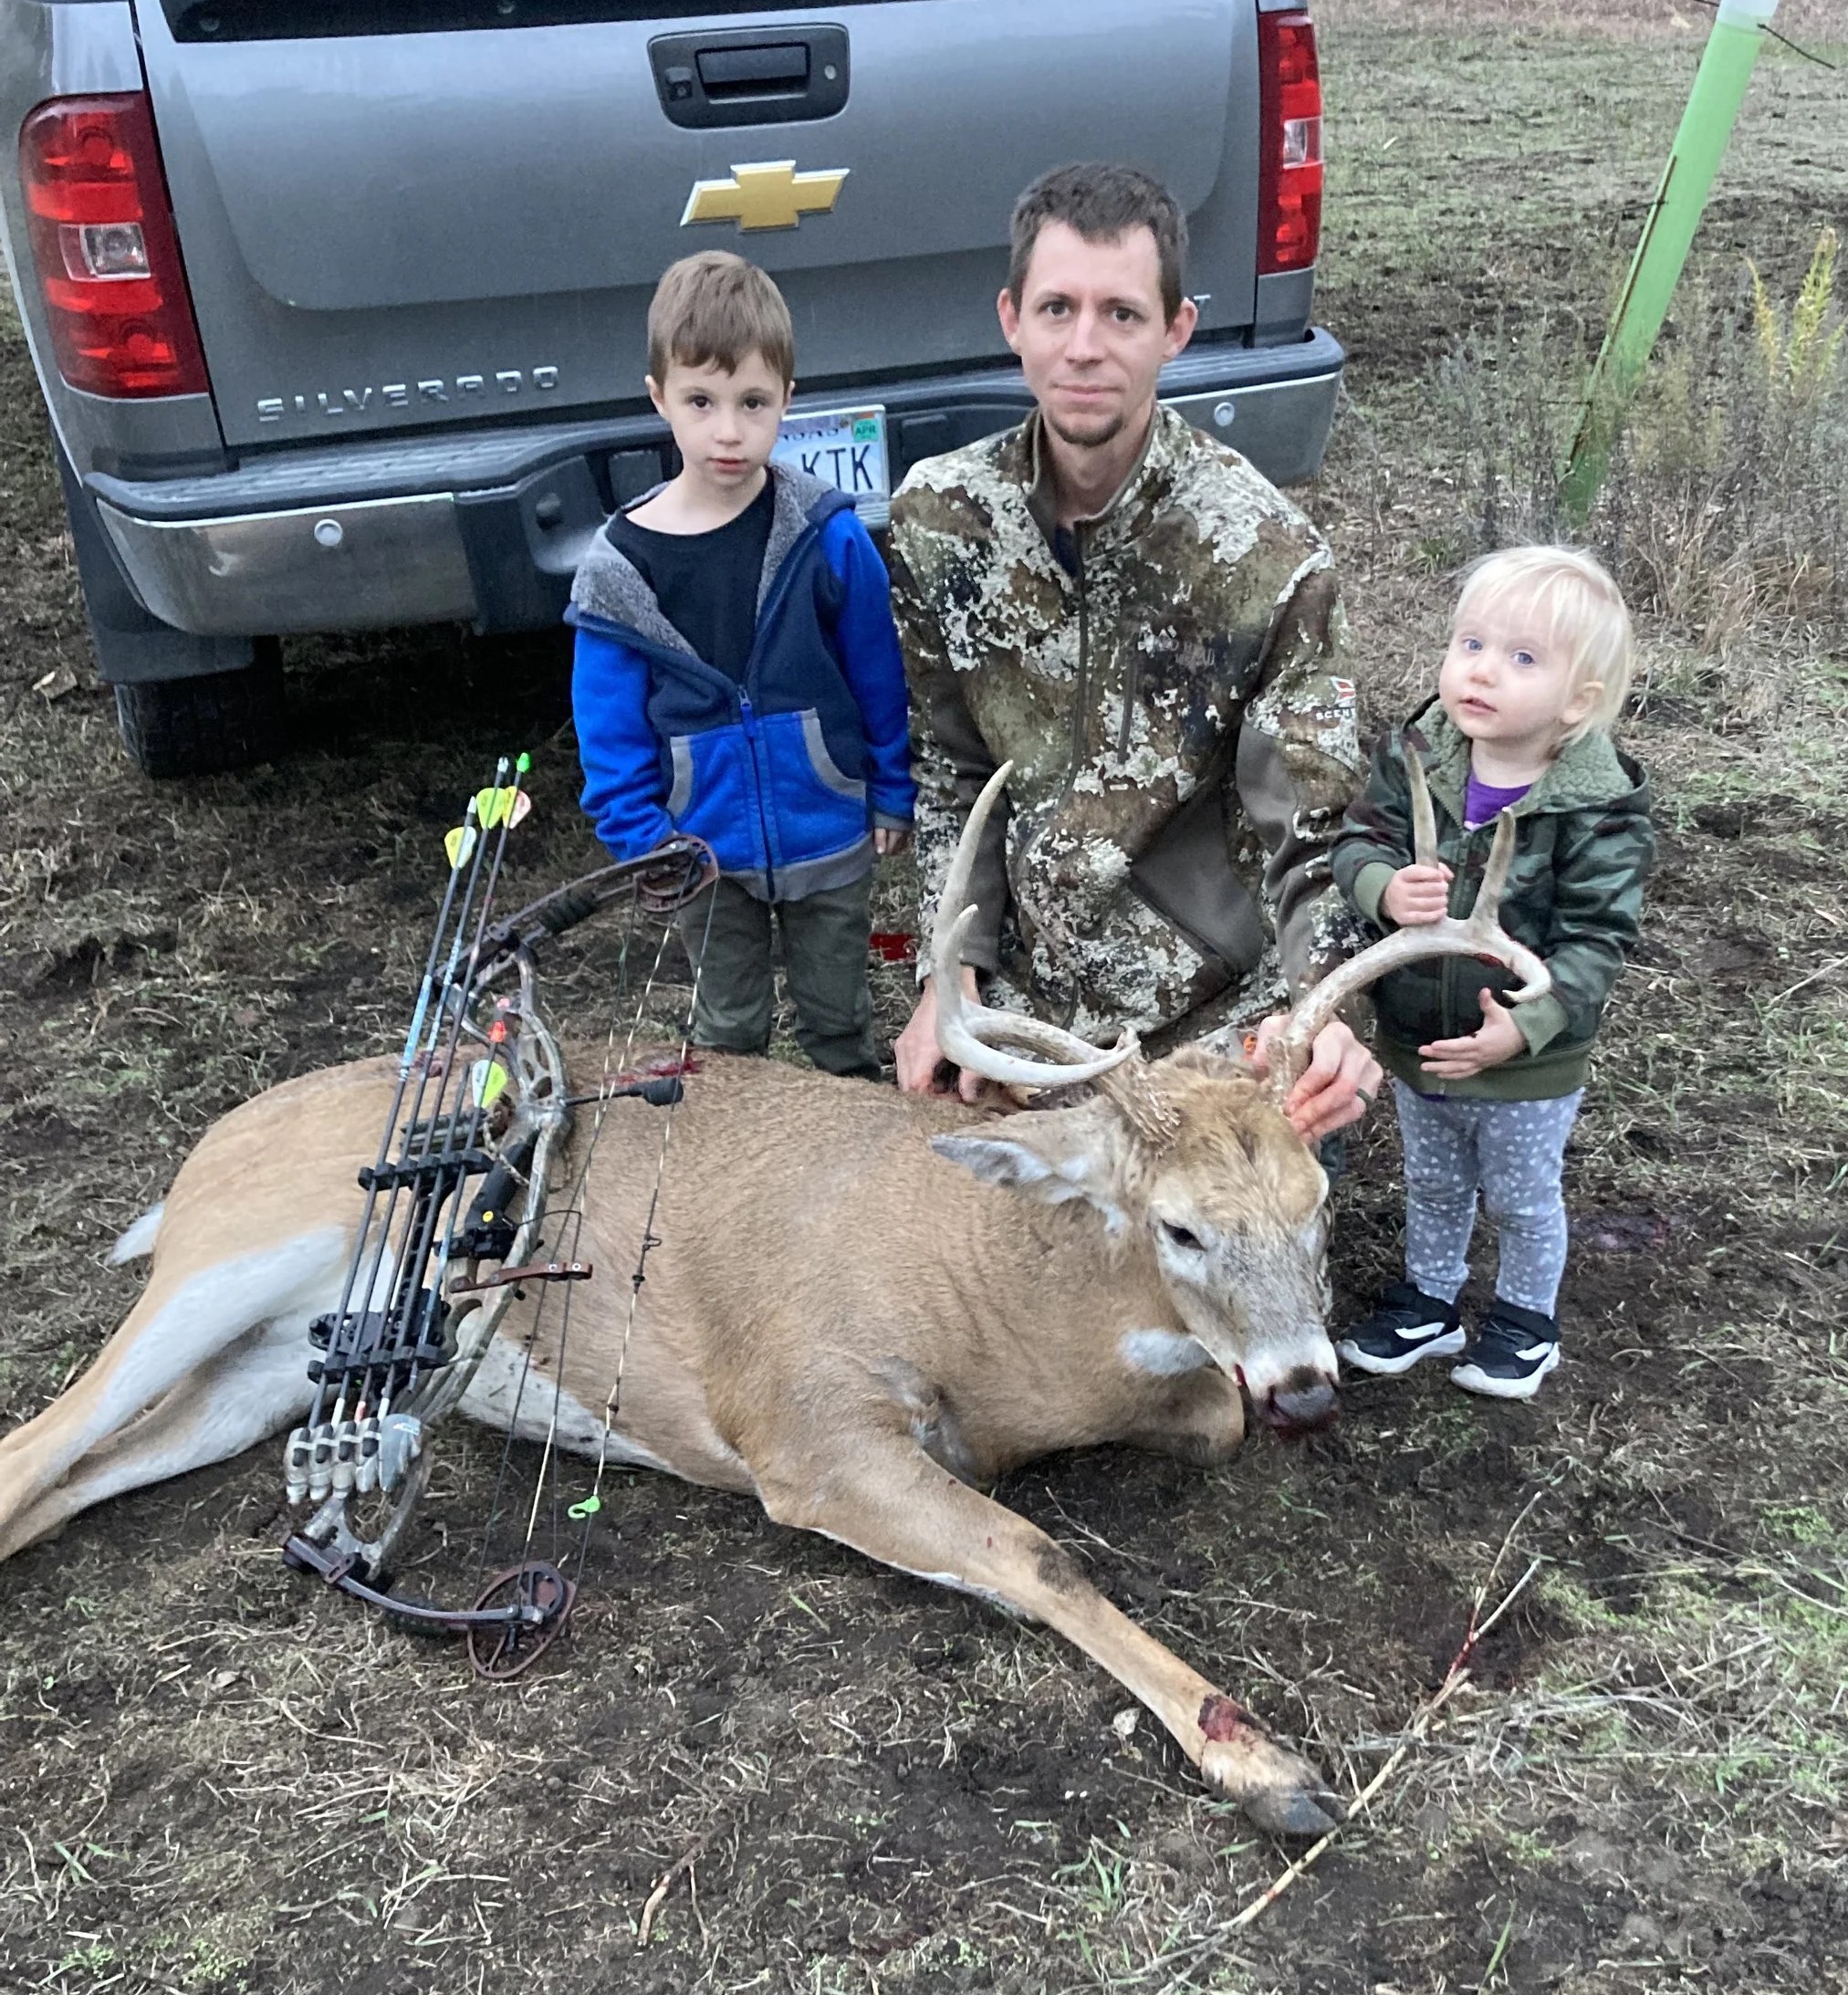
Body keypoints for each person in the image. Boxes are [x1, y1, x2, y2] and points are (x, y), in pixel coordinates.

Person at [887, 161, 1377, 1139]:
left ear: (1175, 331)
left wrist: (1322, 1009)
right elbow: (951, 768)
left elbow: (1314, 823)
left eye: (1120, 315)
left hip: (1214, 1024)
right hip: (1023, 1022)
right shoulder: (938, 518)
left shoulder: (1269, 557)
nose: (1084, 347)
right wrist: (950, 977)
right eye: (1057, 308)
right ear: (1010, 319)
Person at [569, 251, 914, 1077]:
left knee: (840, 1022)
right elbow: (608, 733)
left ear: (788, 401)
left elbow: (879, 676)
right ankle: (735, 1180)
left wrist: (890, 790)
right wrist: (646, 840)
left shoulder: (830, 538)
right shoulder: (618, 571)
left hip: (828, 831)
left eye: (753, 402)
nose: (729, 429)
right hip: (703, 853)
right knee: (728, 1035)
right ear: (659, 398)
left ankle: (849, 1155)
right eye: (702, 401)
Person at [1331, 543, 1652, 1400]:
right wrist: (1385, 888)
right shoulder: (1417, 758)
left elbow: (1595, 942)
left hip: (1526, 1067)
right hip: (1415, 1041)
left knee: (1518, 1195)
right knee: (1431, 1182)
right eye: (1470, 644)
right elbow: (1357, 840)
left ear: (1578, 700)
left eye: (1520, 658)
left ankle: (1523, 1320)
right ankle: (1431, 1302)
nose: (1481, 672)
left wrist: (1528, 1026)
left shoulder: (1598, 807)